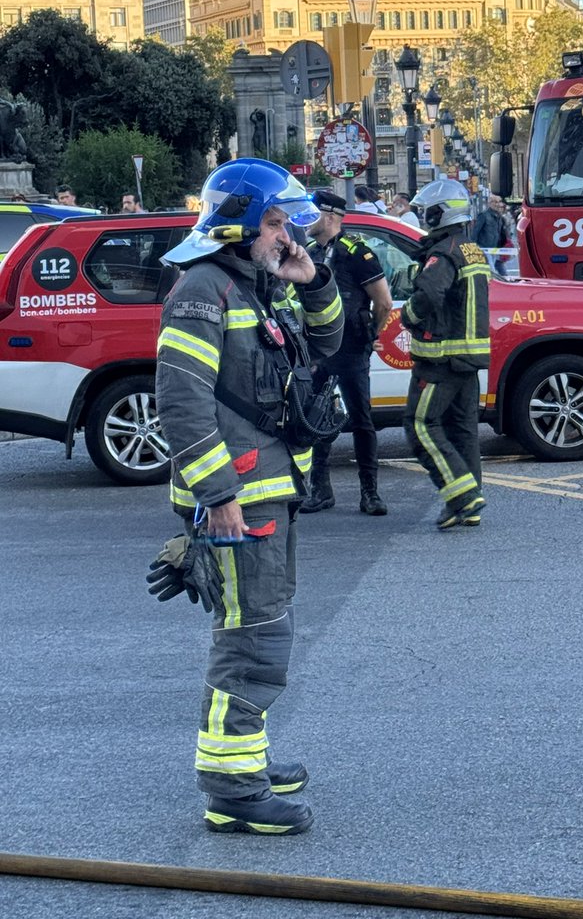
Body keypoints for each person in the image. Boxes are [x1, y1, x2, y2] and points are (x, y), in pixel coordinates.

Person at [150, 158, 343, 836]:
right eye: (271, 220)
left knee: (266, 622)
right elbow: (180, 401)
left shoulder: (257, 286)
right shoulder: (203, 290)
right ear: (236, 223)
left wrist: (311, 280)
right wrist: (218, 494)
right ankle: (233, 788)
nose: (284, 232)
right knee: (252, 635)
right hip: (240, 498)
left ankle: (247, 758)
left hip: (270, 490)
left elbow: (329, 344)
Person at [400, 179, 491, 530]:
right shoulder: (471, 249)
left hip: (440, 359)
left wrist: (407, 316)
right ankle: (471, 502)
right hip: (468, 359)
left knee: (419, 424)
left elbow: (428, 296)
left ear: (441, 213)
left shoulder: (443, 253)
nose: (424, 218)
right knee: (463, 428)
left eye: (428, 212)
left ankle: (460, 496)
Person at [300, 188, 393, 516]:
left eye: (311, 215)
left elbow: (383, 302)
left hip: (351, 349)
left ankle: (370, 493)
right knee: (315, 419)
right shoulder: (309, 252)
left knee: (361, 420)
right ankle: (320, 490)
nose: (305, 221)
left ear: (328, 217)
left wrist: (370, 338)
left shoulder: (357, 251)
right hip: (317, 351)